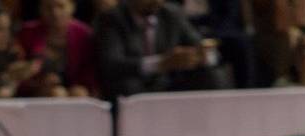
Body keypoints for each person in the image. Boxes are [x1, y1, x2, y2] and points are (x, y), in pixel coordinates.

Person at [93, 0, 223, 102]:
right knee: (128, 85)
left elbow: (206, 49)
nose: (156, 1)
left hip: (167, 83)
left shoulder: (172, 13)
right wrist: (161, 63)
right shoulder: (112, 18)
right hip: (131, 85)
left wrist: (201, 57)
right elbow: (112, 64)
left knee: (210, 75)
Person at [17, 0, 97, 97]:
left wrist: (81, 87)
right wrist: (38, 83)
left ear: (72, 7)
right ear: (40, 9)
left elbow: (89, 71)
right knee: (56, 93)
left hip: (75, 88)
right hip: (38, 91)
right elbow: (17, 71)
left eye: (61, 6)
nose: (55, 12)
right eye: (48, 7)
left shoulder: (84, 34)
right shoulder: (27, 33)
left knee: (80, 93)